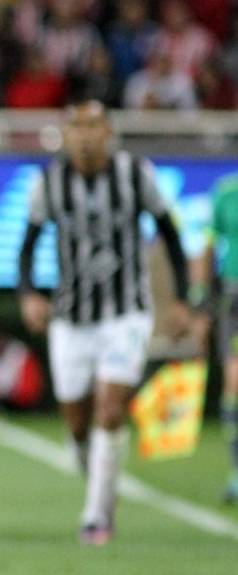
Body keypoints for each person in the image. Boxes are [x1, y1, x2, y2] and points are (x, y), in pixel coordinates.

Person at [17, 99, 190, 545]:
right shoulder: (49, 182)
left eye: (95, 125)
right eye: (78, 125)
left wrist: (182, 301)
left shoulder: (136, 174)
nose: (87, 134)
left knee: (111, 409)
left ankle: (97, 515)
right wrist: (29, 294)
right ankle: (96, 474)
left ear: (109, 131)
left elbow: (170, 234)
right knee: (77, 423)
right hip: (71, 317)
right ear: (66, 133)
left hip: (125, 313)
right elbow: (28, 244)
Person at [190, 171, 238, 502]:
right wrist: (200, 304)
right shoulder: (226, 193)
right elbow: (205, 249)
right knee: (235, 380)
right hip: (235, 299)